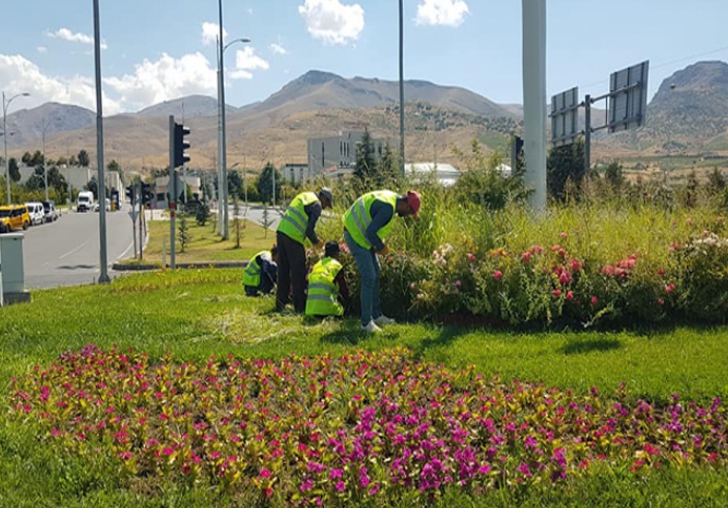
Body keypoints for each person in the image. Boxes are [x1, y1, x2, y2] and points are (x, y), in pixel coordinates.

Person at [343, 189, 421, 333]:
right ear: (406, 205)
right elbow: (370, 233)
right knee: (369, 276)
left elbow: (373, 228)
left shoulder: (391, 199)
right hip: (354, 235)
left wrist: (379, 243)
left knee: (376, 272)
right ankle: (366, 323)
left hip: (361, 236)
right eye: (410, 213)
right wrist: (382, 247)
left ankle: (377, 315)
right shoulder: (388, 208)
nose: (408, 216)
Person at [276, 188, 334, 313]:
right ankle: (300, 307)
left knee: (283, 270)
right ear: (323, 198)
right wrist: (317, 243)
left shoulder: (305, 195)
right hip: (293, 237)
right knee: (299, 273)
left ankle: (280, 304)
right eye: (327, 204)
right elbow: (309, 230)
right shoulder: (317, 205)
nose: (325, 208)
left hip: (281, 232)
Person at [306, 241, 350, 317]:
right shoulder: (336, 266)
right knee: (342, 310)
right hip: (327, 310)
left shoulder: (317, 265)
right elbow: (343, 289)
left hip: (311, 310)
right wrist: (349, 302)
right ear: (336, 253)